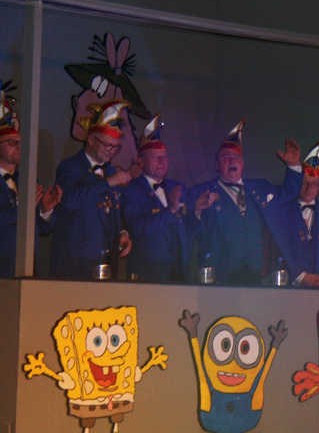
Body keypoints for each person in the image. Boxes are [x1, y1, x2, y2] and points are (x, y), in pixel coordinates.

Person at [188, 121, 302, 286]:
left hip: (255, 274)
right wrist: (196, 210)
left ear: (242, 163)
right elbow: (187, 231)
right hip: (218, 277)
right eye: (225, 158)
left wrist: (293, 166)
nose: (231, 161)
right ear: (217, 164)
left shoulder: (260, 189)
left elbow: (288, 194)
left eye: (236, 158)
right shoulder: (201, 192)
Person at [50, 100, 133, 280]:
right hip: (75, 263)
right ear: (91, 140)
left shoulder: (110, 170)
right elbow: (70, 200)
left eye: (116, 147)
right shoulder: (70, 166)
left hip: (107, 261)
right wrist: (109, 182)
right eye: (107, 145)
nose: (111, 151)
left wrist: (123, 232)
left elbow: (114, 210)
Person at [121, 115, 192, 283]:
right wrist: (170, 210)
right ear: (140, 161)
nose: (162, 161)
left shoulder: (177, 187)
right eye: (155, 157)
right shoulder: (132, 190)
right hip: (149, 272)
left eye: (164, 157)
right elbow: (137, 229)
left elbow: (189, 229)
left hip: (180, 270)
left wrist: (197, 211)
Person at [0, 83, 61, 277]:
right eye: (12, 142)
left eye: (21, 142)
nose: (18, 147)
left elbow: (41, 230)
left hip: (26, 272)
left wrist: (45, 210)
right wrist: (22, 208)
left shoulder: (26, 179)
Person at [264, 141, 319, 287]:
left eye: (314, 184)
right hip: (288, 286)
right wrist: (300, 277)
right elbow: (277, 248)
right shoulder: (282, 211)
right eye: (304, 183)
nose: (309, 189)